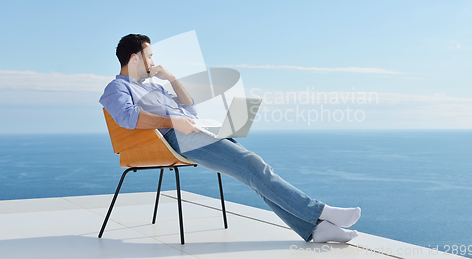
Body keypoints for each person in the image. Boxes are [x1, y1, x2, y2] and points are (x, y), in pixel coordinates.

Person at [99, 34, 361, 243]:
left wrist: (172, 79)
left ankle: (315, 230)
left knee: (253, 170)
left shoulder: (154, 86)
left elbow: (190, 109)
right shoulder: (117, 88)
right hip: (174, 139)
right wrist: (173, 122)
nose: (154, 61)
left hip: (191, 131)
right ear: (135, 58)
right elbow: (127, 117)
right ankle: (319, 212)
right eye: (150, 55)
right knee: (252, 165)